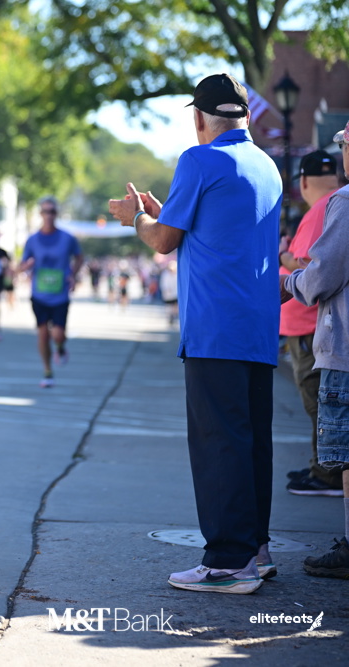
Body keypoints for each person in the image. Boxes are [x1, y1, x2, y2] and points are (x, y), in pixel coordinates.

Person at [108, 73, 282, 594]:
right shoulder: (266, 165)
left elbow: (163, 240)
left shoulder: (198, 160)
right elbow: (210, 230)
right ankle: (255, 549)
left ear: (199, 119)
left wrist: (135, 217)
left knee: (218, 442)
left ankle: (228, 562)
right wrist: (163, 215)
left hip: (214, 327)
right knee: (252, 443)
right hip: (257, 326)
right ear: (245, 116)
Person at [282, 120, 349, 578]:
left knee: (345, 457)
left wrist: (287, 280)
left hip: (341, 347)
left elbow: (319, 274)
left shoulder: (342, 203)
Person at [280, 149, 344, 498]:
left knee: (318, 403)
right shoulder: (332, 204)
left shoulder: (326, 207)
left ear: (303, 182)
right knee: (320, 402)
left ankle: (327, 473)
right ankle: (320, 466)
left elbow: (310, 269)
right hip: (312, 324)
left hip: (310, 325)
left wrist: (283, 255)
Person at [18, 197, 82, 388]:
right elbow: (21, 265)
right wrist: (26, 266)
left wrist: (73, 275)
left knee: (58, 334)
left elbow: (79, 257)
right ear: (40, 214)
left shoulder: (67, 238)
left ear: (56, 214)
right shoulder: (32, 240)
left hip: (60, 294)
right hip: (39, 294)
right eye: (45, 211)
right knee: (43, 333)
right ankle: (47, 371)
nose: (49, 215)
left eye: (52, 211)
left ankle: (60, 346)